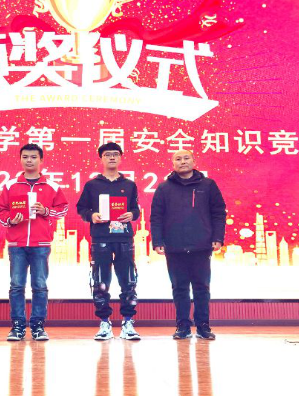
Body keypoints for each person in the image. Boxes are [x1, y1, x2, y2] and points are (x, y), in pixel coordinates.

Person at [150, 150, 227, 340]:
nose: (182, 162)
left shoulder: (208, 185)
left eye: (186, 158)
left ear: (194, 161)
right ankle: (182, 326)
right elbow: (156, 217)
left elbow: (218, 212)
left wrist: (217, 237)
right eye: (178, 159)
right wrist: (158, 241)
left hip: (202, 245)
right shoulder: (164, 188)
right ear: (173, 164)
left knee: (202, 287)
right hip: (174, 246)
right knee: (179, 288)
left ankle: (203, 327)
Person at [0, 144, 69, 341]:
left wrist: (46, 211)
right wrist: (11, 220)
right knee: (16, 286)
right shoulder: (11, 185)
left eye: (33, 157)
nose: (29, 160)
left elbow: (63, 209)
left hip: (41, 244)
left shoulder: (52, 186)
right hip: (17, 244)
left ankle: (38, 326)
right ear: (20, 159)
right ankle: (17, 326)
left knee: (40, 286)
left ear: (41, 160)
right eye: (25, 157)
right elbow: (1, 211)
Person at [77, 142, 142, 341]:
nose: (112, 157)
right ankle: (104, 323)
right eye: (107, 154)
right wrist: (92, 215)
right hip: (100, 239)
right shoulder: (92, 185)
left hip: (124, 239)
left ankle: (128, 322)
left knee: (128, 281)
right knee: (100, 283)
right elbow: (81, 208)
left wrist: (132, 214)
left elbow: (136, 209)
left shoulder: (129, 184)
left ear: (121, 157)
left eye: (115, 154)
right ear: (101, 158)